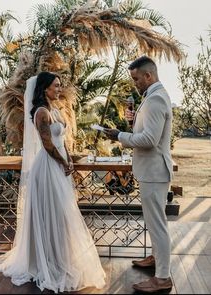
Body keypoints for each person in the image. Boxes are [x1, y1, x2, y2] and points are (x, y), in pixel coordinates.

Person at [0, 72, 106, 292]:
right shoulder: (42, 113)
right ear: (44, 89)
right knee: (52, 212)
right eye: (56, 86)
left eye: (60, 85)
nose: (59, 89)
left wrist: (69, 158)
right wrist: (63, 162)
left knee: (61, 213)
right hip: (48, 167)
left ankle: (58, 255)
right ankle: (46, 260)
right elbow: (47, 144)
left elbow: (61, 141)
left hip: (59, 163)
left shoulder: (55, 109)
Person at [103, 56, 173, 293]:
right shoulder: (154, 97)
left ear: (148, 76)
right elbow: (146, 131)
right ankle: (155, 259)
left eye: (136, 79)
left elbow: (149, 141)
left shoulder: (154, 100)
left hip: (154, 172)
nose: (134, 84)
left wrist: (119, 136)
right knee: (154, 224)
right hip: (151, 171)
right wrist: (132, 124)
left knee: (158, 225)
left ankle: (163, 278)